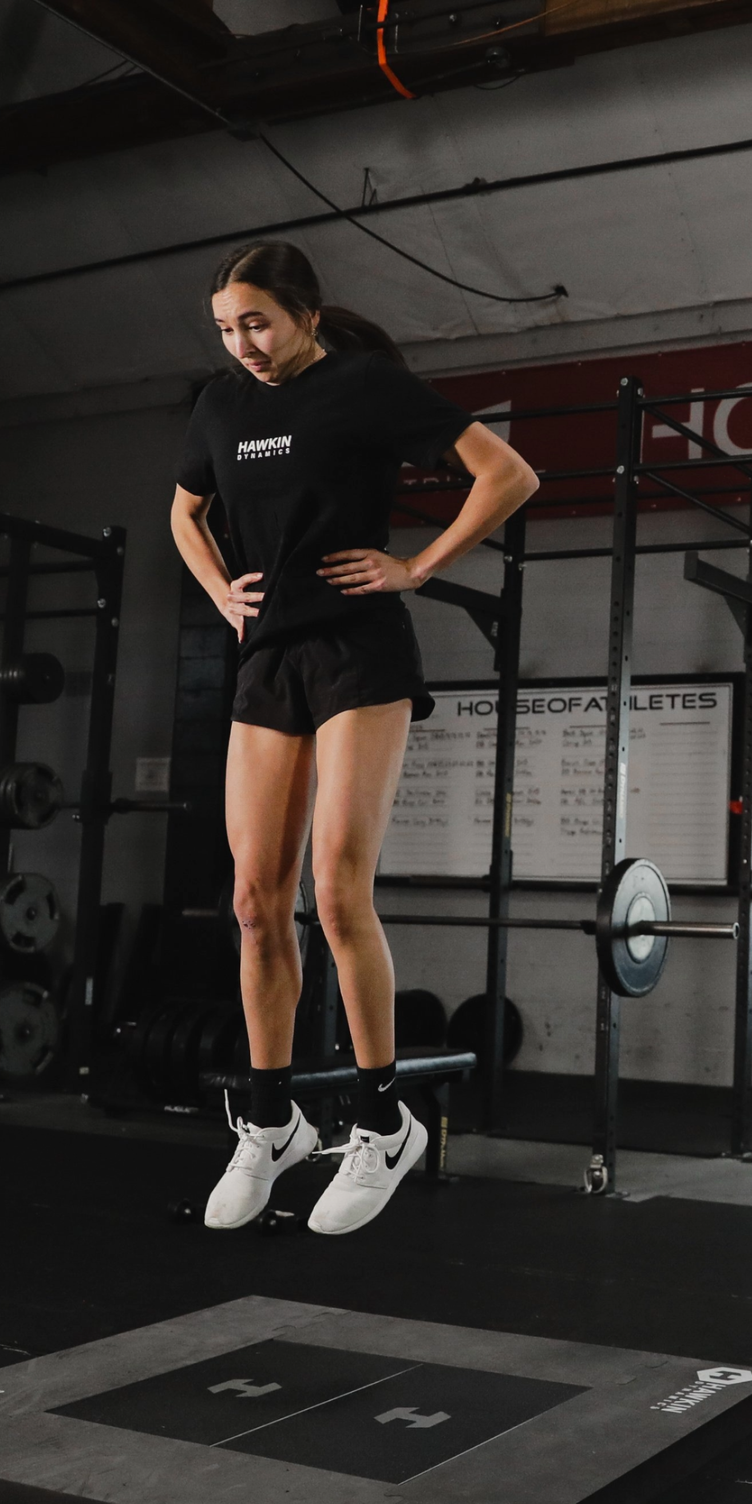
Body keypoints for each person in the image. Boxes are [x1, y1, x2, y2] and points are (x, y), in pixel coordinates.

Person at [171, 241, 538, 1235]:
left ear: (304, 313)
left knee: (334, 889)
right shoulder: (218, 404)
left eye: (255, 321)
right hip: (267, 654)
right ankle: (271, 1118)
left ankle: (381, 1121)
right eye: (223, 327)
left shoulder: (366, 386)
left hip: (357, 648)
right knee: (253, 901)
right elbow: (183, 508)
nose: (240, 343)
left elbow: (505, 475)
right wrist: (217, 591)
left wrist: (417, 565)